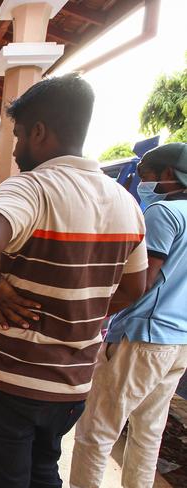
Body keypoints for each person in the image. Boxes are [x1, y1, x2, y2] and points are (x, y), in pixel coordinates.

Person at [0, 73, 148, 488]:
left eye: (20, 135)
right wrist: (81, 309)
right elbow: (135, 288)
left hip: (10, 382)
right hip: (72, 387)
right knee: (44, 473)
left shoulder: (33, 188)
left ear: (39, 132)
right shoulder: (126, 204)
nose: (18, 147)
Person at [70, 142, 187, 488]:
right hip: (178, 343)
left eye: (145, 176)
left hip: (142, 338)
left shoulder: (163, 213)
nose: (142, 183)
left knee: (96, 430)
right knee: (148, 432)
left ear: (168, 175)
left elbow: (142, 281)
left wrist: (93, 316)